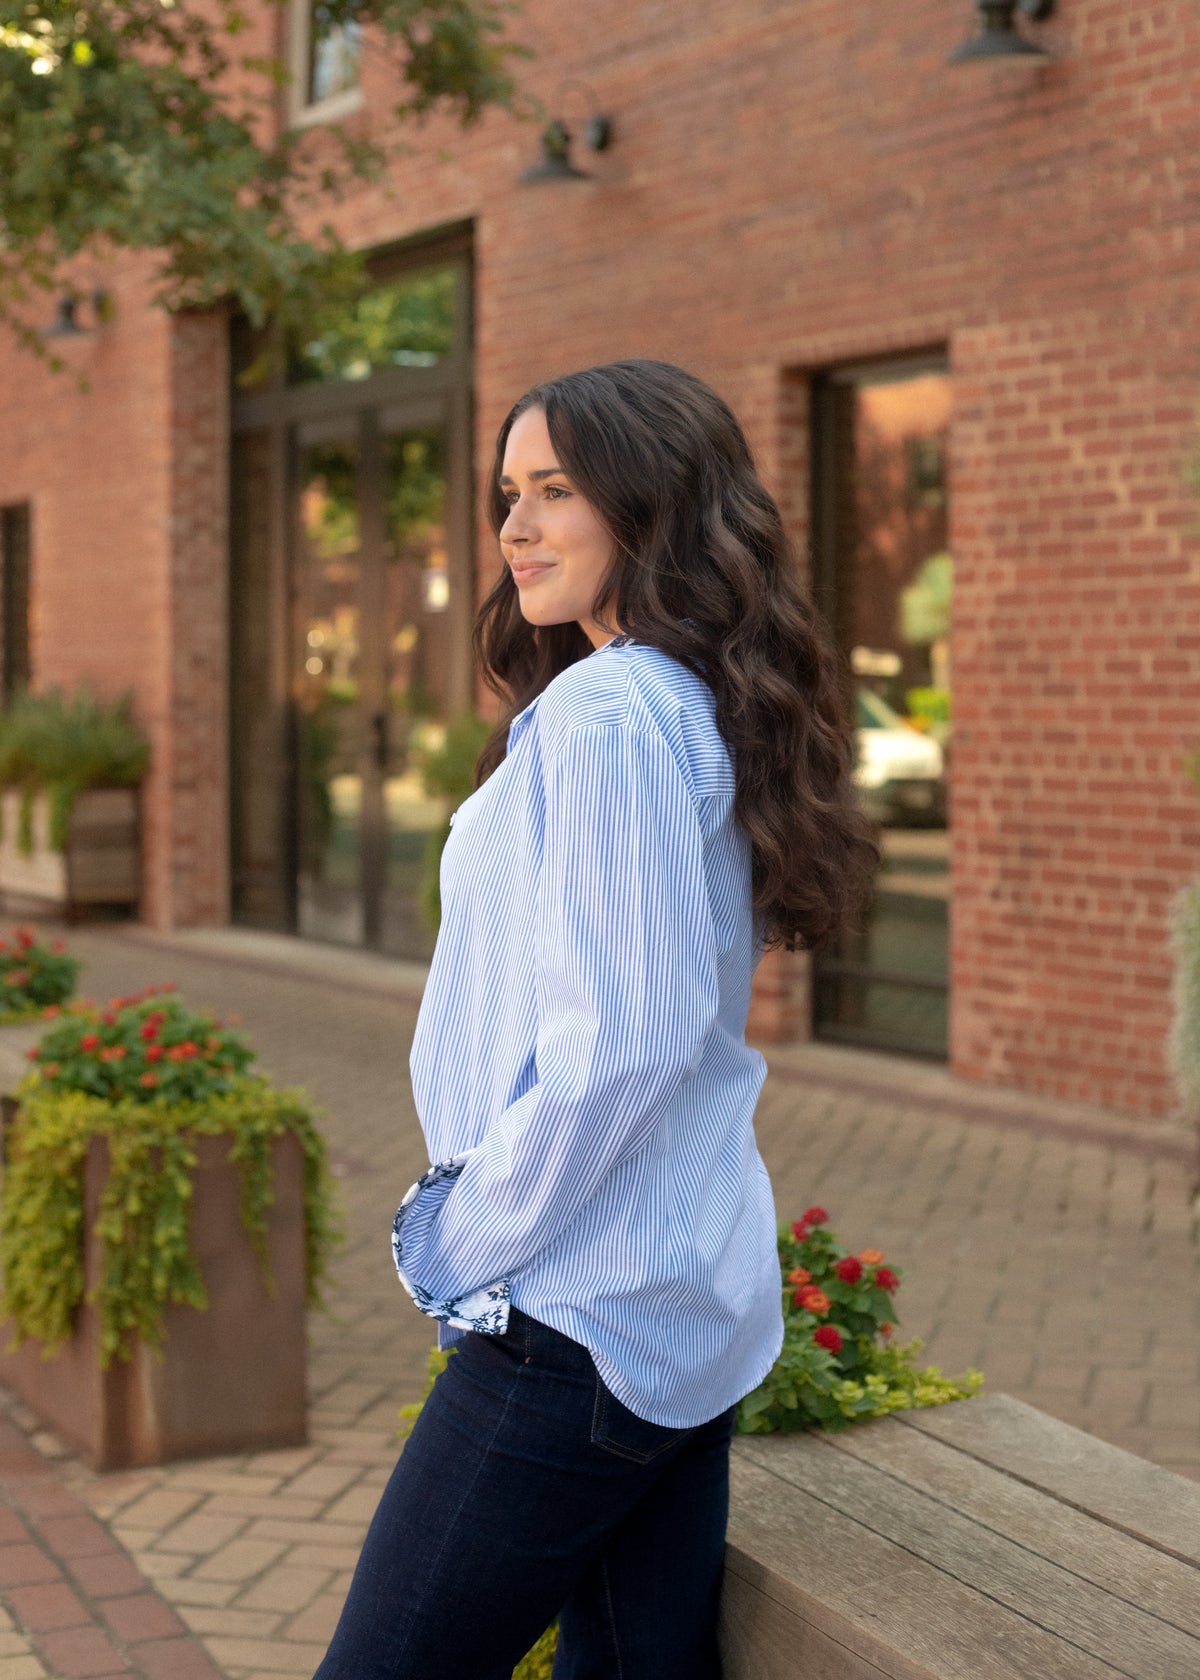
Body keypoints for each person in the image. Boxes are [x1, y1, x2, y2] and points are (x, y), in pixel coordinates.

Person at [312, 360, 877, 1680]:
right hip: (675, 1314)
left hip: (571, 1321)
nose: (512, 528)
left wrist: (465, 1232)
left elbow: (625, 1039)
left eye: (555, 490)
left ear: (653, 505)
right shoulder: (680, 697)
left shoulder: (610, 715)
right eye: (508, 493)